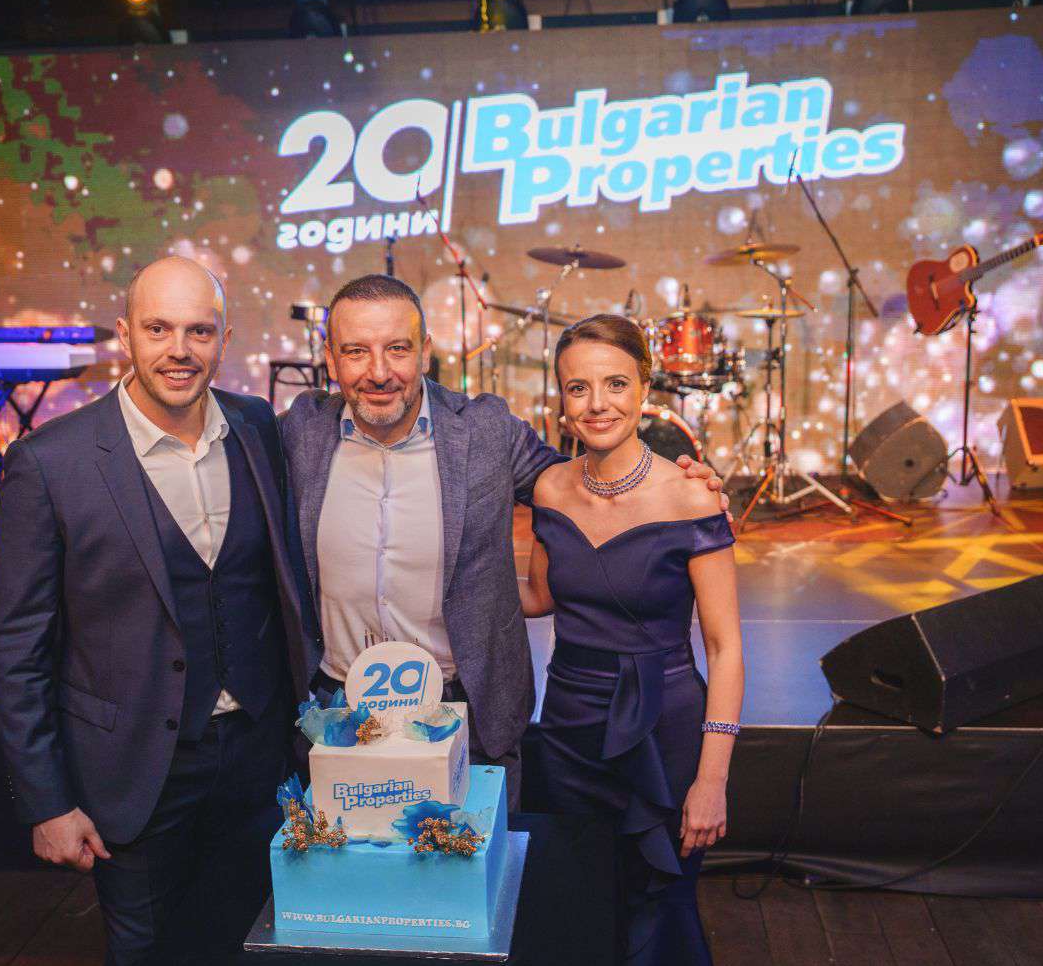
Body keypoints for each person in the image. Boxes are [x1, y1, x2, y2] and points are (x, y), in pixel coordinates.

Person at [0, 256, 319, 966]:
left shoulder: (257, 427)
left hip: (259, 756)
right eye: (159, 328)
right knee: (146, 964)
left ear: (224, 337)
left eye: (199, 330)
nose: (179, 349)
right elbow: (17, 648)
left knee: (255, 950)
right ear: (125, 334)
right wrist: (46, 800)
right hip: (134, 769)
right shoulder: (51, 461)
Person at [281, 274, 728, 805]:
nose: (379, 372)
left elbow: (581, 484)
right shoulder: (300, 432)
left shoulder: (486, 430)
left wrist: (682, 487)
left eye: (397, 349)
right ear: (330, 359)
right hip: (337, 711)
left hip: (467, 712)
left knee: (479, 858)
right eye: (356, 351)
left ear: (425, 352)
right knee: (345, 858)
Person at [519, 314, 742, 966]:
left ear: (646, 388)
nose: (598, 404)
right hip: (569, 728)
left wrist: (712, 779)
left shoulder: (692, 495)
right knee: (580, 900)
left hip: (663, 732)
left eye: (616, 384)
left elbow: (725, 647)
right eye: (578, 387)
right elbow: (537, 596)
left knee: (659, 903)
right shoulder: (549, 488)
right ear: (562, 400)